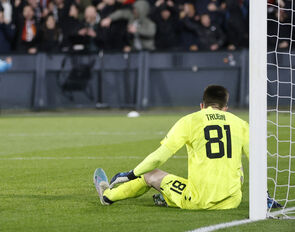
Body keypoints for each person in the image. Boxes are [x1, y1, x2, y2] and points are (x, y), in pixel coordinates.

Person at [93, 85, 253, 209]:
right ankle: (168, 198)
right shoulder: (241, 124)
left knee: (149, 174)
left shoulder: (189, 121)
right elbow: (257, 161)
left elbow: (159, 158)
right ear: (226, 108)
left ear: (201, 105)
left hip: (199, 201)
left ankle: (108, 196)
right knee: (237, 162)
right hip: (232, 201)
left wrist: (130, 174)